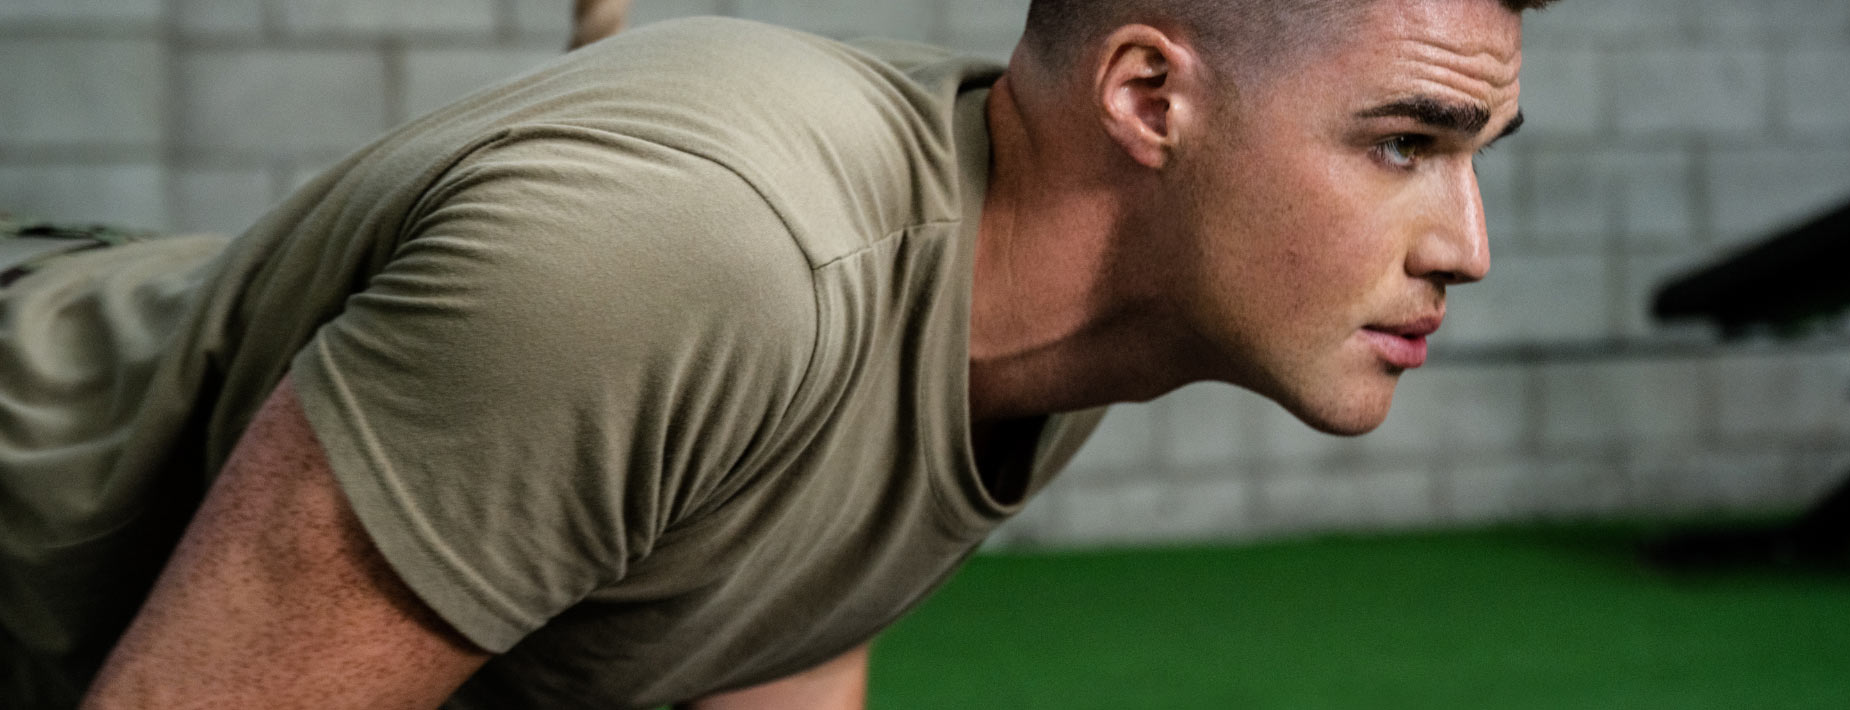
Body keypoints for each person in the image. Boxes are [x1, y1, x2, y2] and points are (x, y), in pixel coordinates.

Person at [0, 0, 1546, 707]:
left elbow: (773, 612)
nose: (1465, 242)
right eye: (1408, 142)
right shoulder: (710, 254)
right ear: (1149, 99)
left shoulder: (1075, 311)